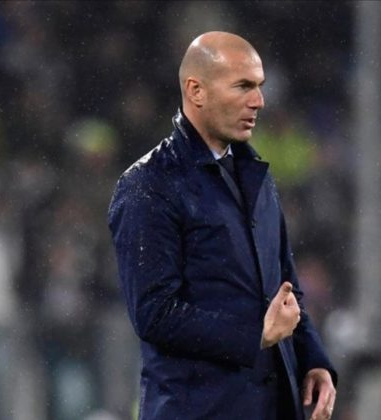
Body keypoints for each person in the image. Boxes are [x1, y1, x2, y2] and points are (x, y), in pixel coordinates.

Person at [107, 32, 337, 420]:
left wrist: (312, 359)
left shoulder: (256, 175)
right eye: (243, 86)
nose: (259, 101)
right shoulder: (149, 184)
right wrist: (254, 336)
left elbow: (285, 286)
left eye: (259, 86)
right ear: (196, 91)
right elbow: (155, 314)